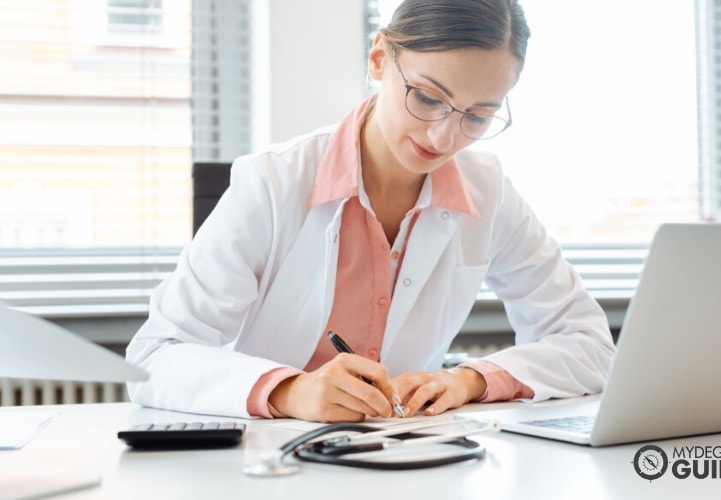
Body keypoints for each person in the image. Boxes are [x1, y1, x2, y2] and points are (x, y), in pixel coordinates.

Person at [126, 0, 615, 422]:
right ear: (380, 57)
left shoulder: (487, 191)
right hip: (270, 463)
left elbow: (589, 344)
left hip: (405, 456)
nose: (444, 138)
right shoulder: (272, 183)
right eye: (427, 97)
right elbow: (154, 358)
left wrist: (471, 381)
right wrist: (289, 390)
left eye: (478, 116)